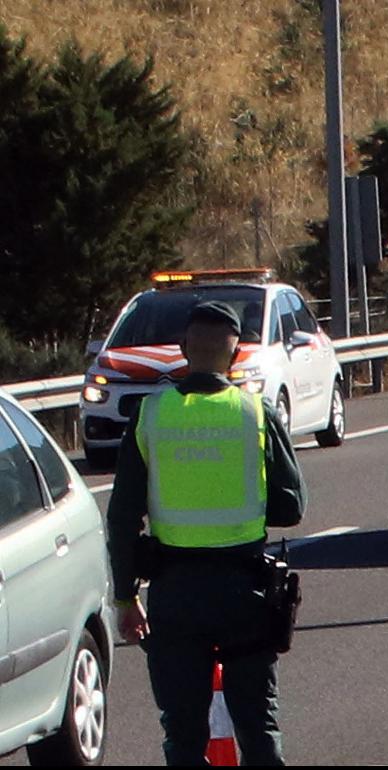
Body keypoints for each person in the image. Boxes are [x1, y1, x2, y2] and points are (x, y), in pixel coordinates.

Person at [108, 301, 306, 766]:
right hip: (246, 593)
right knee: (258, 725)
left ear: (183, 349)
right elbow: (291, 506)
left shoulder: (151, 415)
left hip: (175, 594)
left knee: (183, 732)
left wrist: (125, 597)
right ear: (235, 356)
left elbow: (122, 516)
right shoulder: (255, 412)